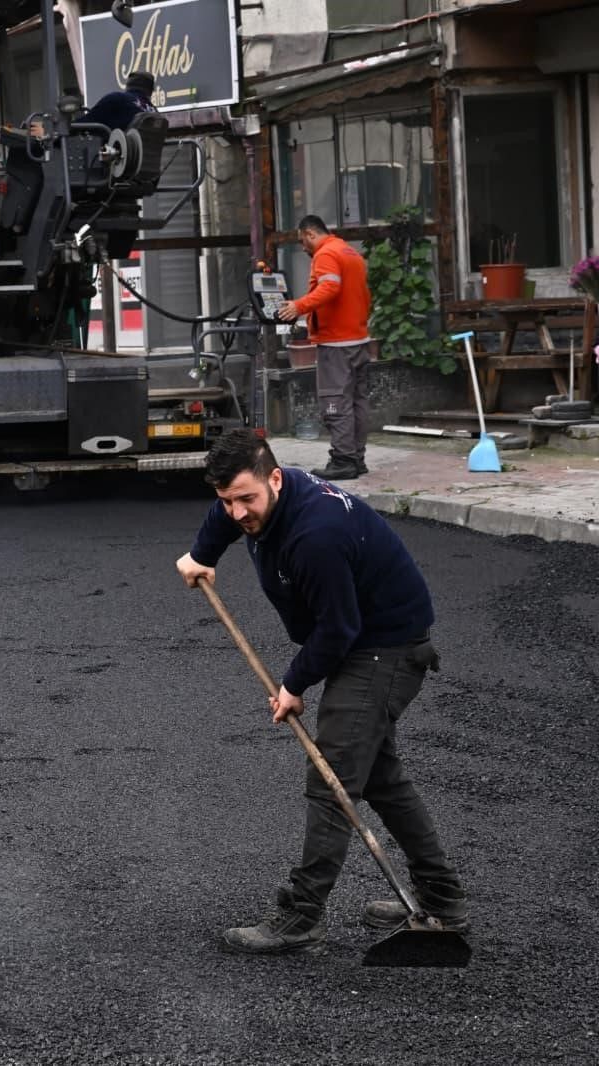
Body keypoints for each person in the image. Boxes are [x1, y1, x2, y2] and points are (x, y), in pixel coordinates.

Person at [174, 429, 467, 956]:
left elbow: (338, 628)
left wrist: (292, 685)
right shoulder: (255, 499)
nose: (239, 512)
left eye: (247, 498)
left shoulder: (316, 535)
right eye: (227, 499)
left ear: (276, 479)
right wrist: (201, 554)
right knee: (380, 778)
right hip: (364, 640)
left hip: (386, 647)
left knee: (331, 777)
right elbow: (226, 517)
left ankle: (301, 914)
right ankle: (441, 900)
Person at [276, 215, 373, 481]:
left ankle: (342, 460)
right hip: (358, 339)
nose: (303, 248)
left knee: (335, 401)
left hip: (336, 342)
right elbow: (364, 295)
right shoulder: (350, 251)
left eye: (302, 241)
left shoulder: (326, 254)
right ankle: (356, 458)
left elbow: (330, 287)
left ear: (309, 234)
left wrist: (299, 306)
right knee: (357, 401)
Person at [81, 70, 157, 131]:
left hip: (116, 148)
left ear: (128, 85)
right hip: (146, 149)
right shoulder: (155, 112)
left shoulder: (117, 98)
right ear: (151, 91)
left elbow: (89, 120)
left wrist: (70, 126)